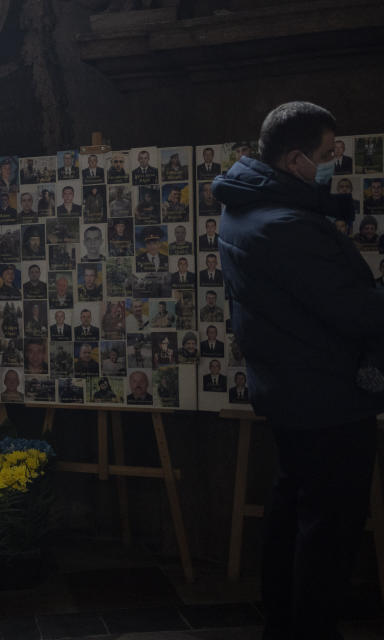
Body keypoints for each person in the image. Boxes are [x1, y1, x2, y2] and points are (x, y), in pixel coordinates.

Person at [213, 102, 384, 639]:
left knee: (292, 512)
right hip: (326, 400)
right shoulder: (286, 226)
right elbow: (357, 310)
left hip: (291, 391)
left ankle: (283, 623)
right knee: (327, 533)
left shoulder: (245, 205)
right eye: (328, 155)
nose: (335, 163)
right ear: (294, 160)